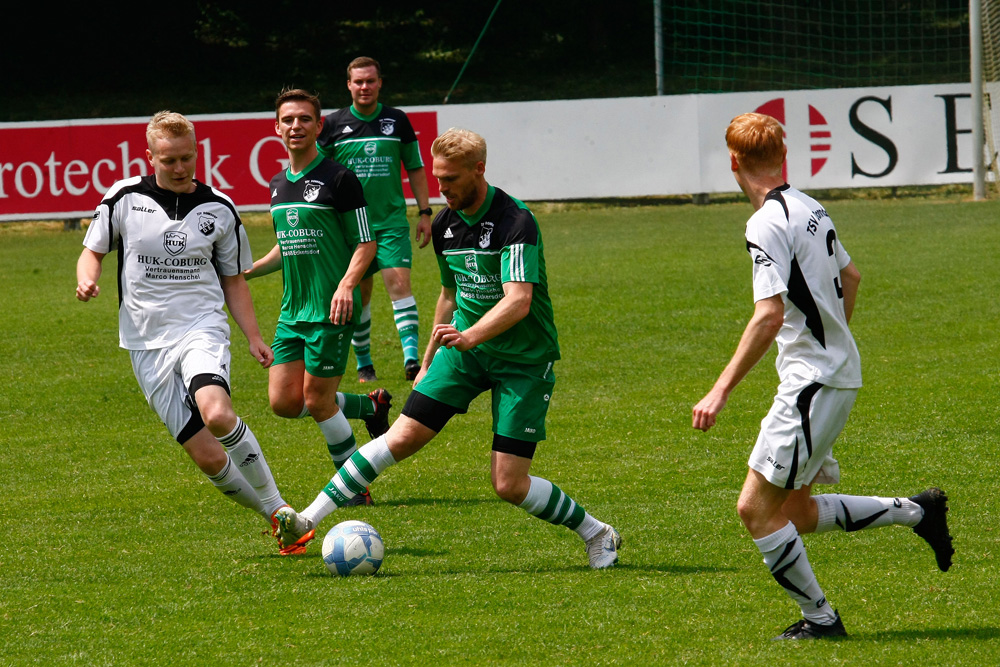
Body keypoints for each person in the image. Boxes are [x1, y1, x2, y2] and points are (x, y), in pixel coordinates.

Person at [274, 128, 622, 569]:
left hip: (522, 361)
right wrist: (430, 357)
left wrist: (470, 335)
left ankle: (597, 532)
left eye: (452, 180)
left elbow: (519, 300)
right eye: (438, 180)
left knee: (509, 484)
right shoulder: (444, 224)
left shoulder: (516, 220)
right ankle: (308, 518)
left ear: (479, 169)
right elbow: (450, 294)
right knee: (399, 437)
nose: (443, 190)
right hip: (463, 354)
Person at [692, 112, 954, 640]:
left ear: (734, 162)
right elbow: (850, 276)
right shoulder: (811, 206)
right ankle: (918, 512)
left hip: (813, 382)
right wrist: (832, 343)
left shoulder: (765, 221)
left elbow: (767, 315)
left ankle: (822, 620)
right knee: (796, 511)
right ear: (783, 157)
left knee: (754, 510)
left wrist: (719, 390)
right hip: (829, 375)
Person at [76, 111, 295, 552]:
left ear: (197, 153)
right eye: (169, 160)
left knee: (216, 413)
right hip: (144, 341)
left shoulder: (219, 208)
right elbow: (92, 250)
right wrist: (87, 277)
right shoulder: (123, 197)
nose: (179, 168)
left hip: (201, 326)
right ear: (150, 156)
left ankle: (282, 505)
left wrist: (252, 335)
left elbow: (233, 279)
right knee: (209, 458)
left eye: (187, 158)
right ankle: (276, 518)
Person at [245, 89, 391, 520]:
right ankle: (370, 407)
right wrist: (248, 271)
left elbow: (367, 242)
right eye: (288, 120)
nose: (295, 126)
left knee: (317, 399)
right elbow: (285, 246)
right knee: (284, 403)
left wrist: (347, 285)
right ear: (277, 127)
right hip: (292, 312)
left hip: (331, 309)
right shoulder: (277, 185)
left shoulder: (340, 179)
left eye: (304, 119)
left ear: (318, 125)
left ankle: (353, 483)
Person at [317, 56, 433, 383]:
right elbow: (319, 173)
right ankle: (364, 363)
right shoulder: (332, 125)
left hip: (392, 222)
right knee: (360, 294)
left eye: (370, 81)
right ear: (349, 85)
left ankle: (412, 360)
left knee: (399, 283)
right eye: (358, 81)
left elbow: (415, 168)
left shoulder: (397, 120)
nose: (364, 87)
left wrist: (425, 212)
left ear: (380, 83)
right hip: (351, 227)